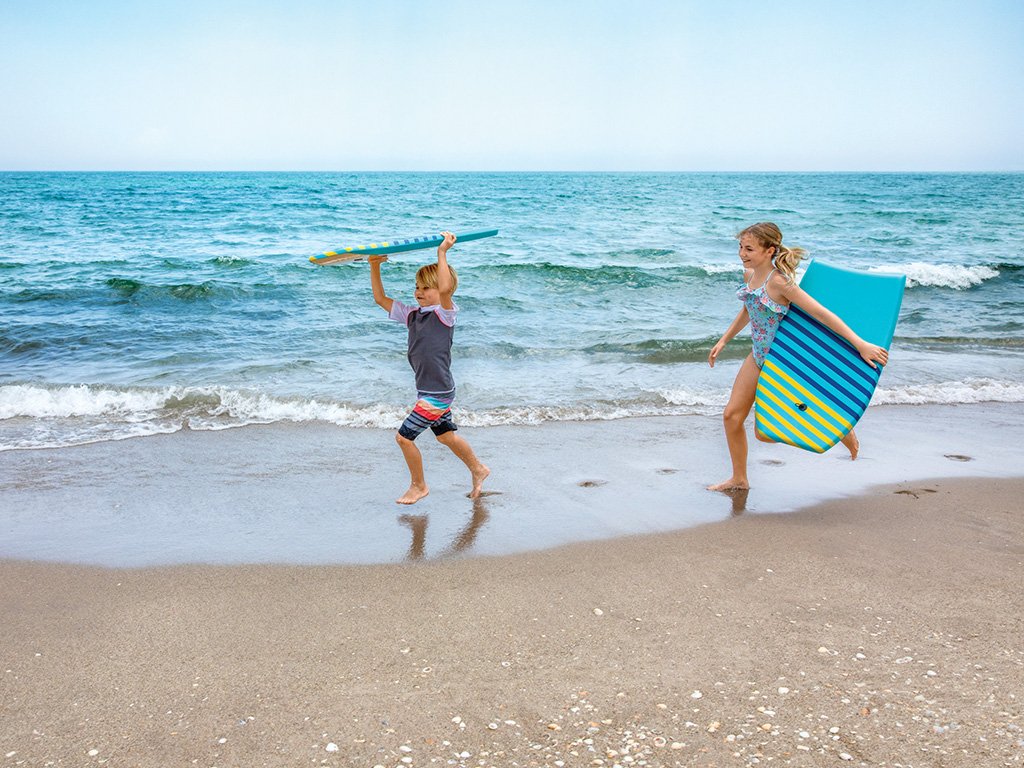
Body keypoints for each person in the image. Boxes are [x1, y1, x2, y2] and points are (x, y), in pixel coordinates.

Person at [707, 222, 888, 491]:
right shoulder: (750, 276)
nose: (742, 253)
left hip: (783, 364)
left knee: (765, 433)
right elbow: (750, 307)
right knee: (731, 417)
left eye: (749, 249)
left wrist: (860, 343)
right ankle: (740, 478)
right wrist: (724, 339)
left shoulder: (781, 283)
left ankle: (839, 430)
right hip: (757, 356)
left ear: (769, 251)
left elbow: (821, 314)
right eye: (740, 247)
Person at [369, 231, 490, 504]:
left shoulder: (444, 314)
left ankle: (419, 486)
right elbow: (380, 299)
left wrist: (442, 252)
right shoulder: (412, 315)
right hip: (428, 389)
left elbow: (446, 289)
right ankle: (478, 469)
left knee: (403, 438)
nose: (419, 292)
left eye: (426, 288)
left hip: (437, 392)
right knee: (446, 436)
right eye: (417, 287)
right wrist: (375, 265)